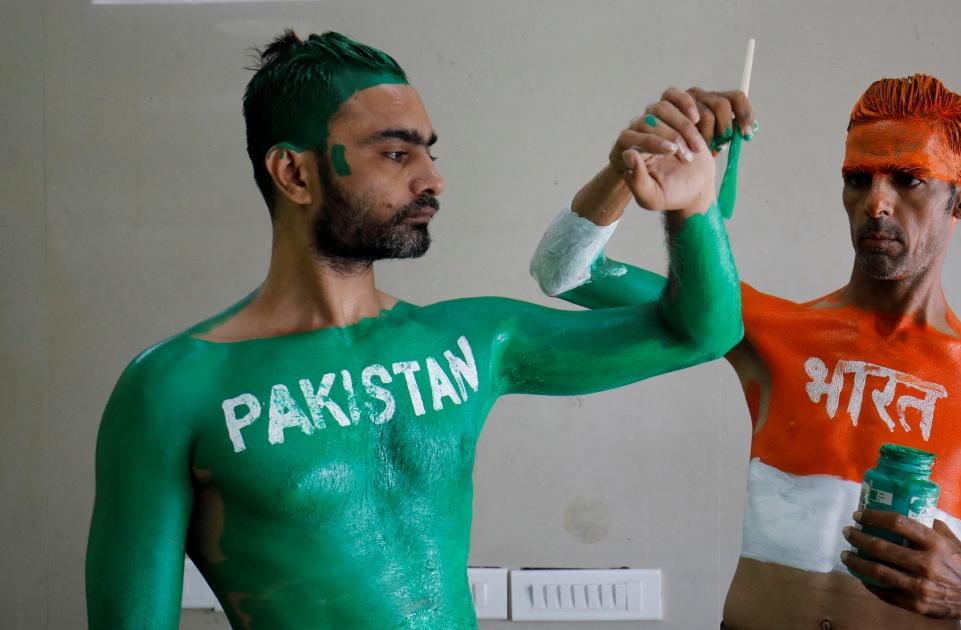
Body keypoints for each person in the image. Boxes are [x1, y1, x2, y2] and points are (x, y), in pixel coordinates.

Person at [85, 30, 743, 629]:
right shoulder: (175, 388)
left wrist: (693, 205)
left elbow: (701, 334)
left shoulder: (472, 341)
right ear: (295, 173)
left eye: (428, 152)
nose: (433, 179)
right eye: (397, 153)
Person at [529, 76, 961, 629]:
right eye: (858, 179)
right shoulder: (763, 327)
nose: (877, 202)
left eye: (908, 179)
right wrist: (626, 166)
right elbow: (565, 271)